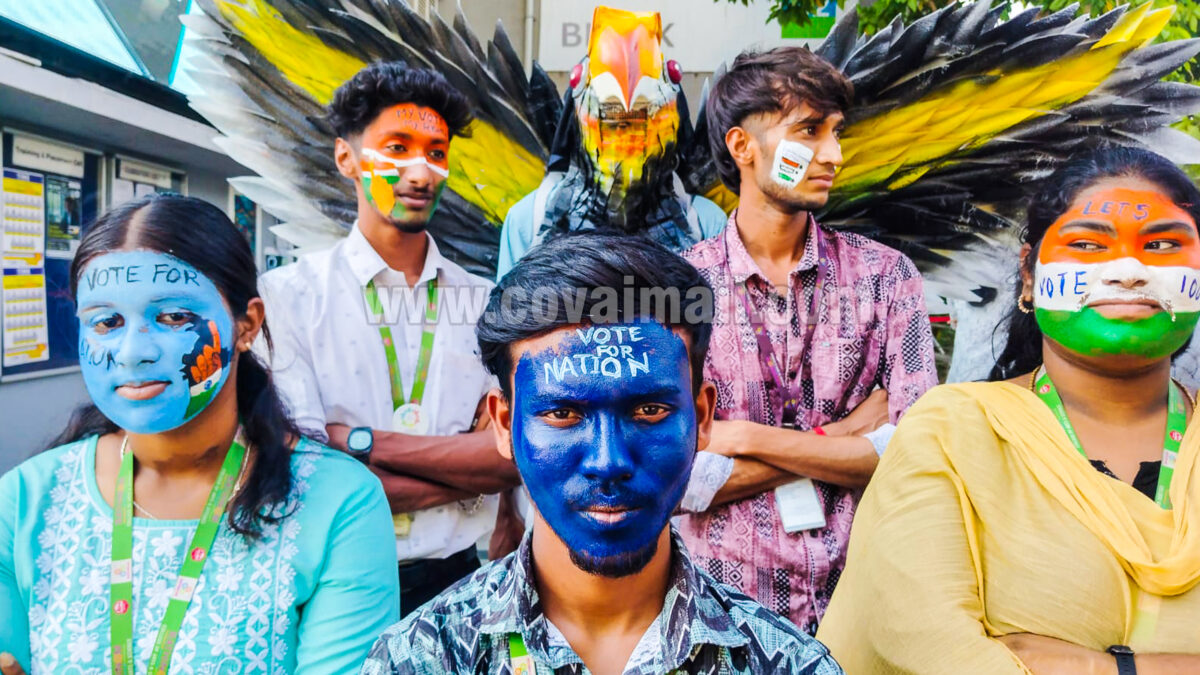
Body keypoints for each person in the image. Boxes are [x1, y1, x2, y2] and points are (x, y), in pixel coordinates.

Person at [360, 232, 845, 674]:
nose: (608, 461)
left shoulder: (786, 664)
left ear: (701, 418)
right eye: (563, 415)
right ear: (505, 424)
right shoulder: (418, 660)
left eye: (650, 410)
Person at [817, 147, 1200, 674]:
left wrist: (1105, 668)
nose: (1129, 271)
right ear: (1028, 274)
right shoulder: (953, 433)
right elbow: (927, 642)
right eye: (1088, 245)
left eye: (1161, 245)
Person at [0, 194, 398, 675]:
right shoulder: (24, 502)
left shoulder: (338, 503)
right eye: (106, 322)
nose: (132, 352)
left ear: (247, 323)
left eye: (172, 317)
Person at [675, 46, 940, 633]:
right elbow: (676, 481)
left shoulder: (885, 276)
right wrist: (844, 438)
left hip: (867, 610)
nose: (833, 155)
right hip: (722, 619)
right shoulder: (679, 290)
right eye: (809, 130)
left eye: (836, 132)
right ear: (742, 146)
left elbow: (918, 452)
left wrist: (741, 438)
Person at [256, 62, 521, 617]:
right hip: (336, 586)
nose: (421, 172)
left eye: (437, 152)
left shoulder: (485, 302)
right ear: (346, 158)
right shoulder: (288, 299)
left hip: (460, 587)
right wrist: (461, 476)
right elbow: (301, 471)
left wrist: (354, 442)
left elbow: (510, 459)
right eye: (397, 147)